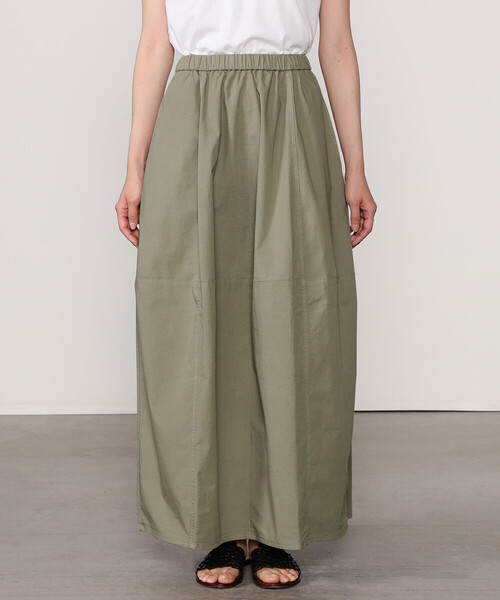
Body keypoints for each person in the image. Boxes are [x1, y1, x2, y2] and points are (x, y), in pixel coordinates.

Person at [116, 0, 376, 589]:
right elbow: (155, 45)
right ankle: (222, 524)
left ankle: (277, 520)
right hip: (194, 113)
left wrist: (356, 166)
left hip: (291, 111)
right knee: (199, 316)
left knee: (293, 315)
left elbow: (337, 45)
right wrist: (135, 167)